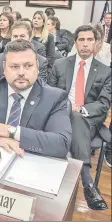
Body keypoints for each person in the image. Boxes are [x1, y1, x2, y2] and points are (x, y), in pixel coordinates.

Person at [48, 25, 111, 210]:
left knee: (77, 117)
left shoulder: (105, 71)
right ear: (75, 43)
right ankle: (89, 185)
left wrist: (80, 109)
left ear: (96, 43)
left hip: (89, 120)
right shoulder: (60, 64)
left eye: (89, 40)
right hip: (60, 114)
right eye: (81, 40)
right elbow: (49, 93)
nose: (85, 44)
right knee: (71, 118)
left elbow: (104, 102)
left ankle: (84, 181)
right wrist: (65, 108)